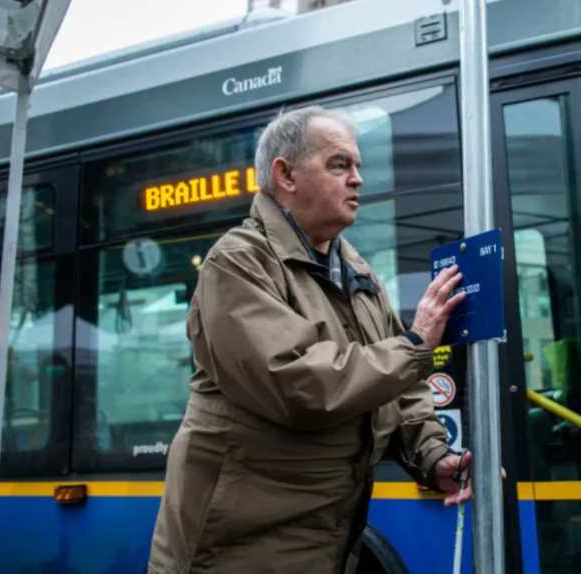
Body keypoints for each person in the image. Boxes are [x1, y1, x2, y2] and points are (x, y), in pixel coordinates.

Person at [148, 107, 472, 574]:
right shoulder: (236, 263)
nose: (357, 180)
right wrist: (416, 341)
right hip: (236, 553)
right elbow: (299, 384)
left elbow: (398, 390)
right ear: (286, 175)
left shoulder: (355, 269)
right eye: (340, 165)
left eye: (358, 167)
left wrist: (432, 455)